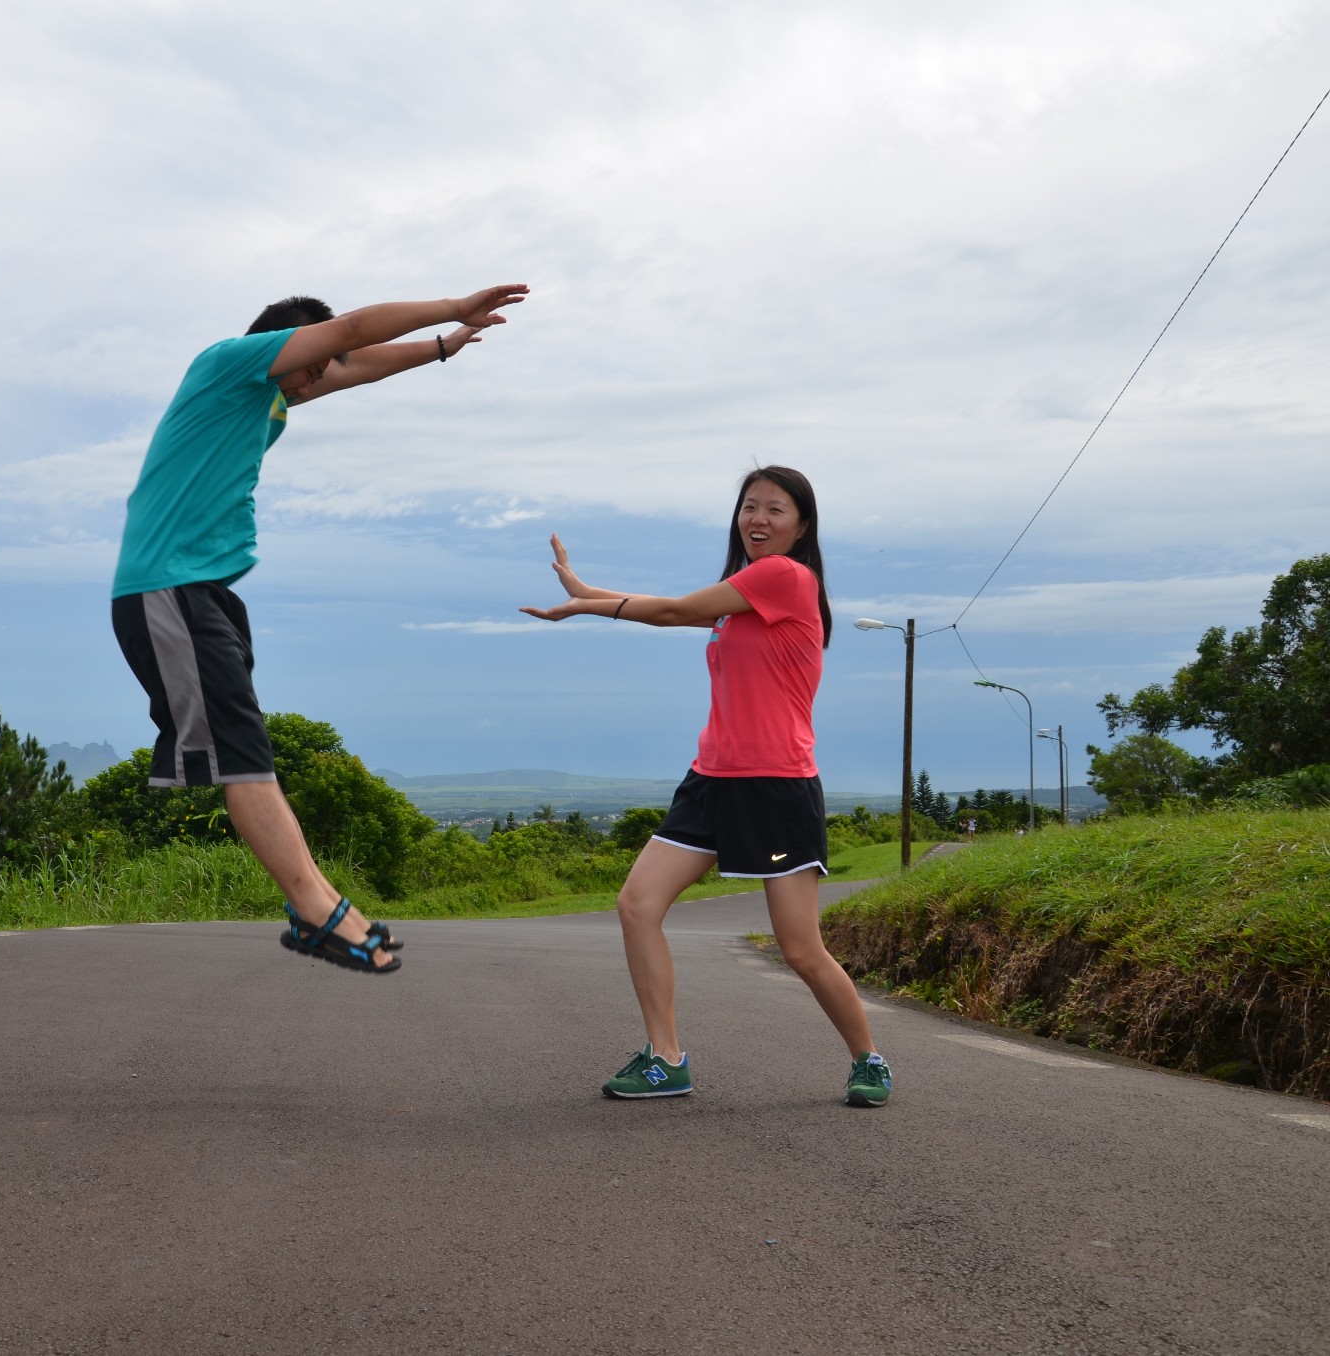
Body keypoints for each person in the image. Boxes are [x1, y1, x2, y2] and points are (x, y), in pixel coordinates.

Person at [112, 284, 530, 974]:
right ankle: (314, 909)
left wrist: (439, 351)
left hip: (199, 590)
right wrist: (453, 306)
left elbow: (355, 365)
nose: (313, 385)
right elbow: (354, 336)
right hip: (168, 584)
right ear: (285, 345)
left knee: (248, 750)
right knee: (241, 755)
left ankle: (320, 904)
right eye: (310, 364)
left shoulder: (265, 397)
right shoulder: (229, 361)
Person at [520, 466, 893, 1107]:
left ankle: (869, 1060)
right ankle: (666, 1058)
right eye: (749, 507)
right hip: (711, 779)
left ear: (802, 525)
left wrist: (587, 605)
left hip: (776, 784)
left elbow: (671, 611)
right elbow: (678, 609)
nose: (758, 520)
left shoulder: (785, 578)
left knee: (801, 949)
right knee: (638, 906)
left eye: (775, 510)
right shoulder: (742, 595)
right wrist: (585, 589)